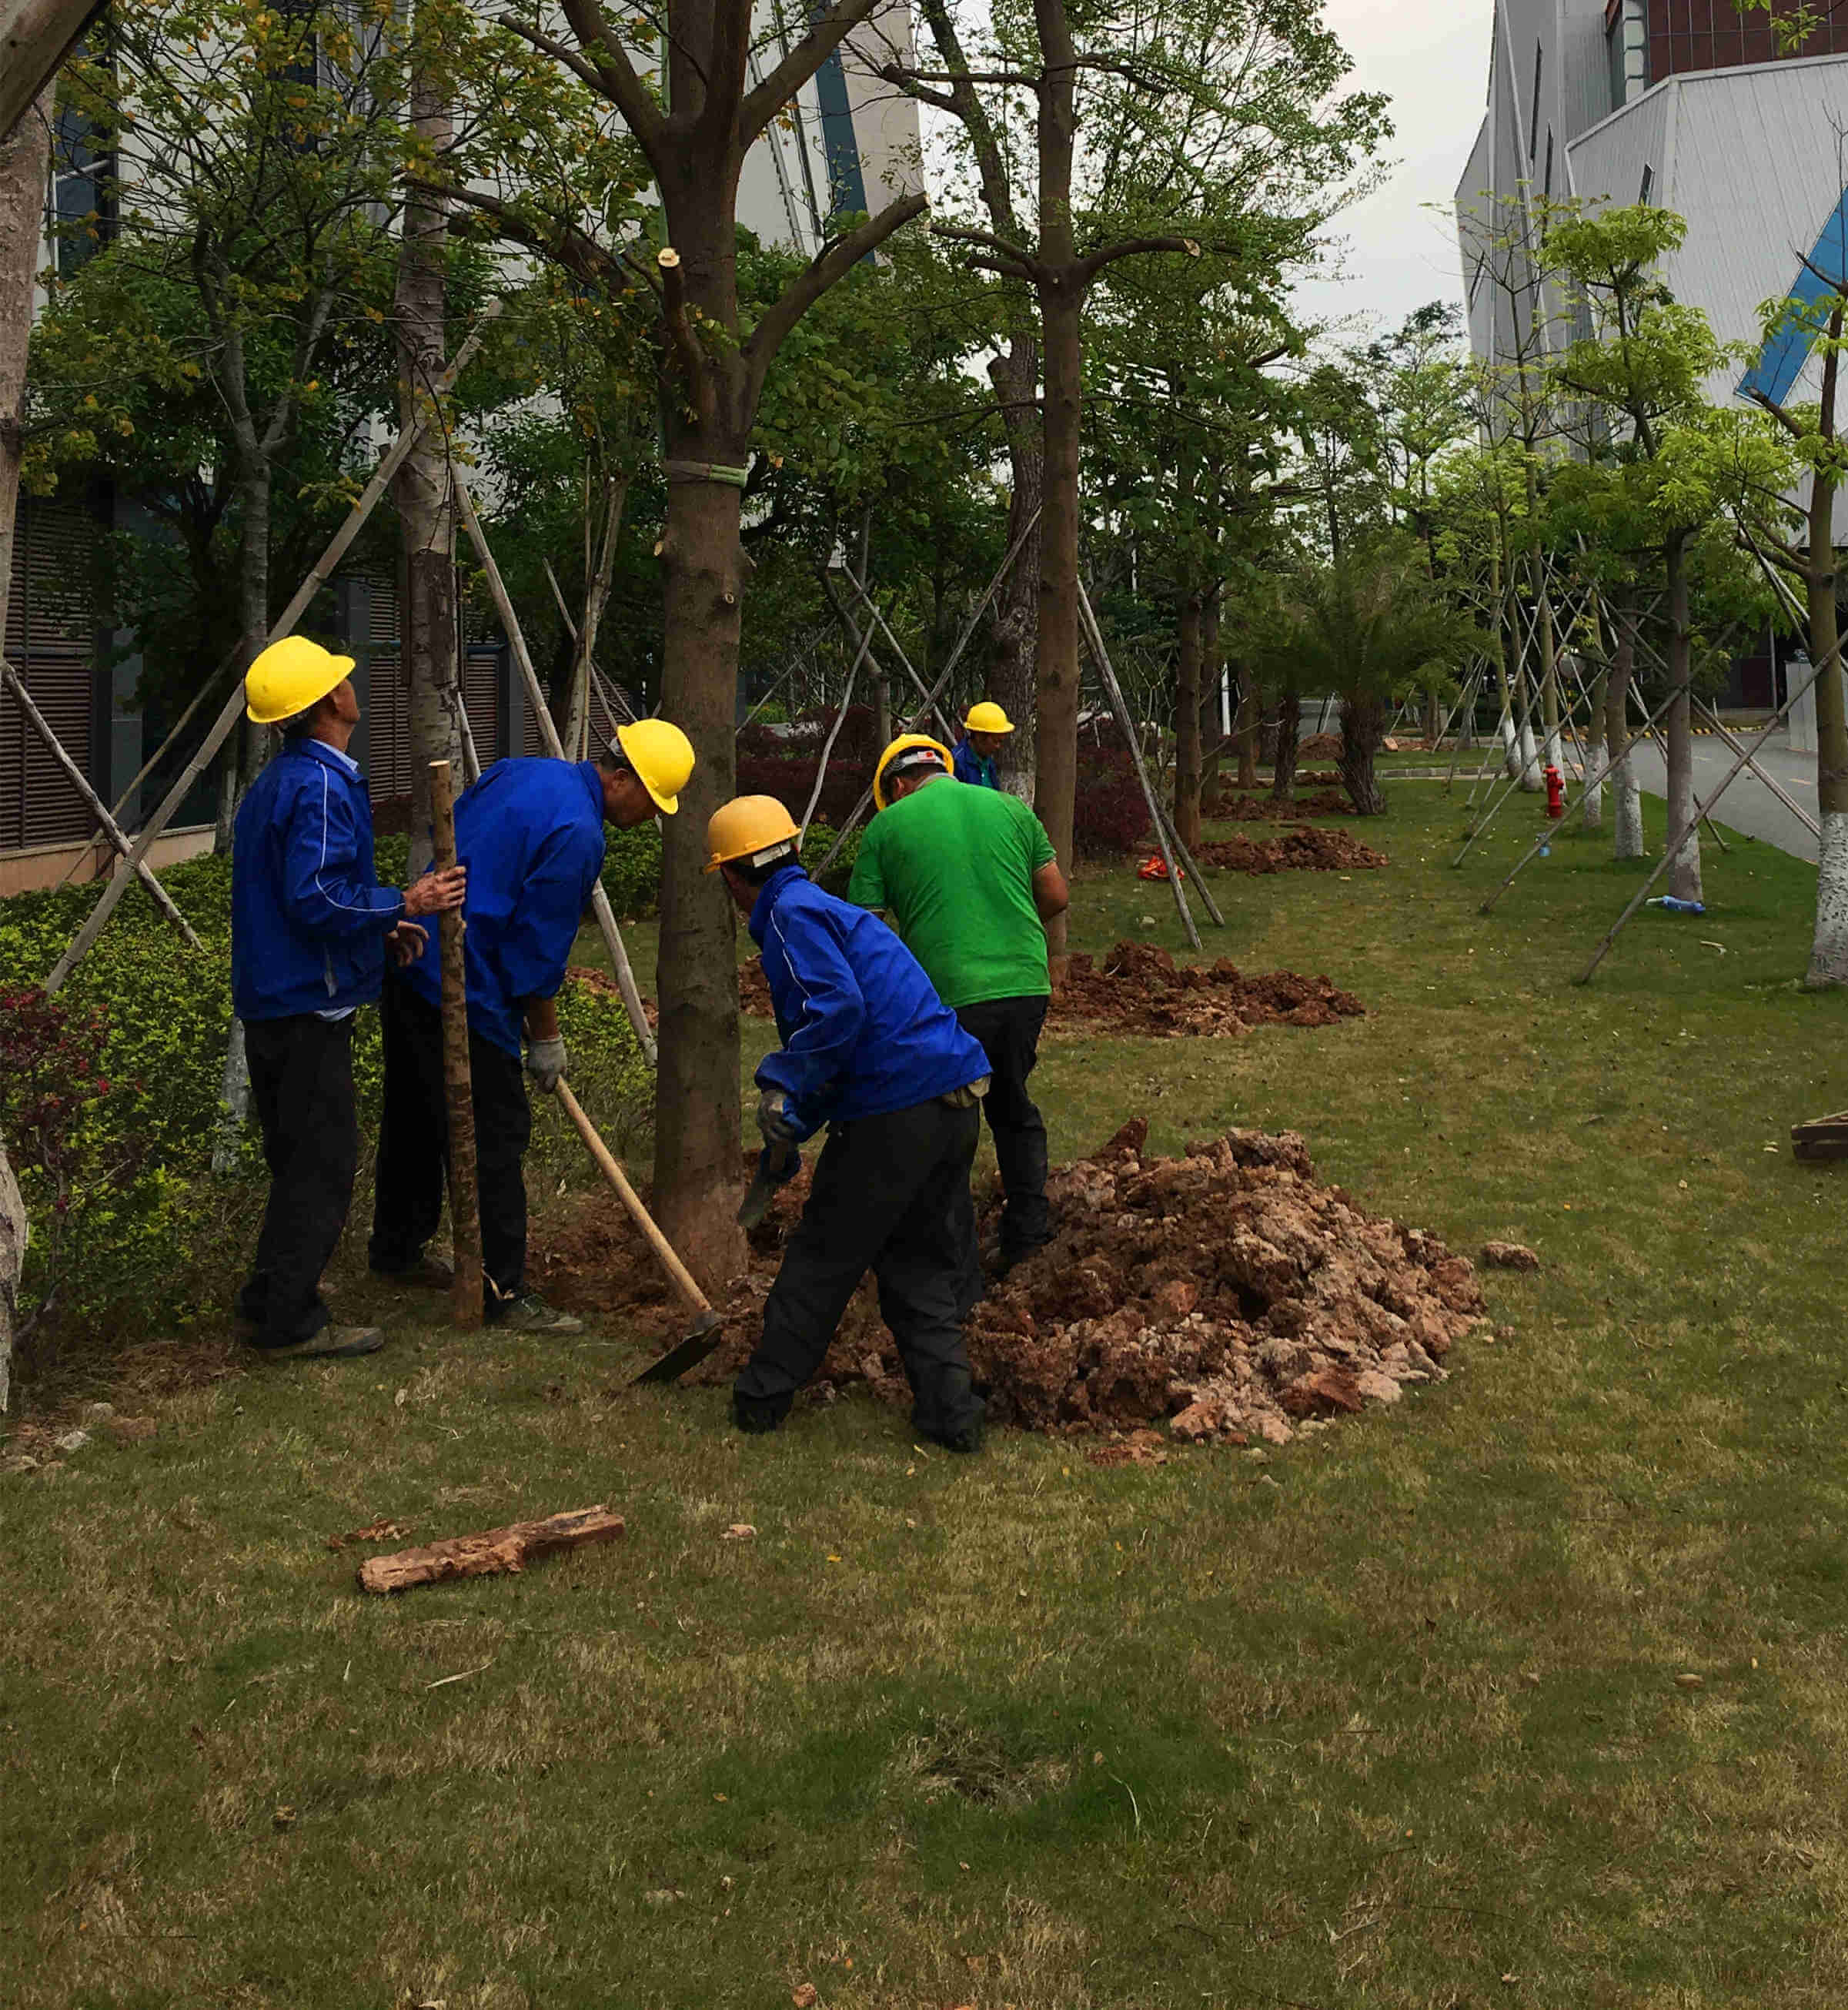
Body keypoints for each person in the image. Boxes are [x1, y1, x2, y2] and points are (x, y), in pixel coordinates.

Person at [369, 718, 695, 1331]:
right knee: (498, 1135)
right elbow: (535, 956)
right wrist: (545, 1038)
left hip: (414, 960)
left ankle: (396, 1248)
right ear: (620, 777)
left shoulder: (525, 769)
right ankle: (504, 1289)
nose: (648, 816)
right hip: (468, 985)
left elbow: (461, 840)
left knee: (412, 1114)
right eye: (650, 801)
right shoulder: (577, 833)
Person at [710, 794, 994, 1452]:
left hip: (897, 1109)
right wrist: (798, 1117)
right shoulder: (829, 909)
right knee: (917, 1264)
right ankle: (952, 1414)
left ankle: (759, 1402)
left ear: (731, 877)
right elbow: (844, 1041)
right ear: (791, 851)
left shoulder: (787, 914)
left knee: (822, 1257)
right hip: (951, 1099)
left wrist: (782, 1082)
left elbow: (836, 1013)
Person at [230, 634, 467, 1361]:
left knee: (299, 1157)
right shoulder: (323, 785)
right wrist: (409, 898)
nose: (351, 686)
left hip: (277, 996)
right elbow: (316, 895)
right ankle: (288, 1320)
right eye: (343, 680)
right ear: (330, 701)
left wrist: (378, 931)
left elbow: (299, 898)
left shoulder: (279, 782)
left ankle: (267, 1297)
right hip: (306, 1005)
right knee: (325, 1162)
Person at [850, 734, 1068, 1279]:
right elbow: (1055, 894)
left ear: (897, 786)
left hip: (948, 997)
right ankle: (1026, 1238)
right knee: (1013, 1106)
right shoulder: (1012, 809)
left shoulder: (886, 827)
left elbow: (865, 928)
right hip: (1025, 986)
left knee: (948, 1125)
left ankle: (956, 1271)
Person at [951, 701, 1014, 789]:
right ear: (979, 736)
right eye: (995, 741)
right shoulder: (956, 762)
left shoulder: (988, 761)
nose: (998, 746)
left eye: (1000, 742)